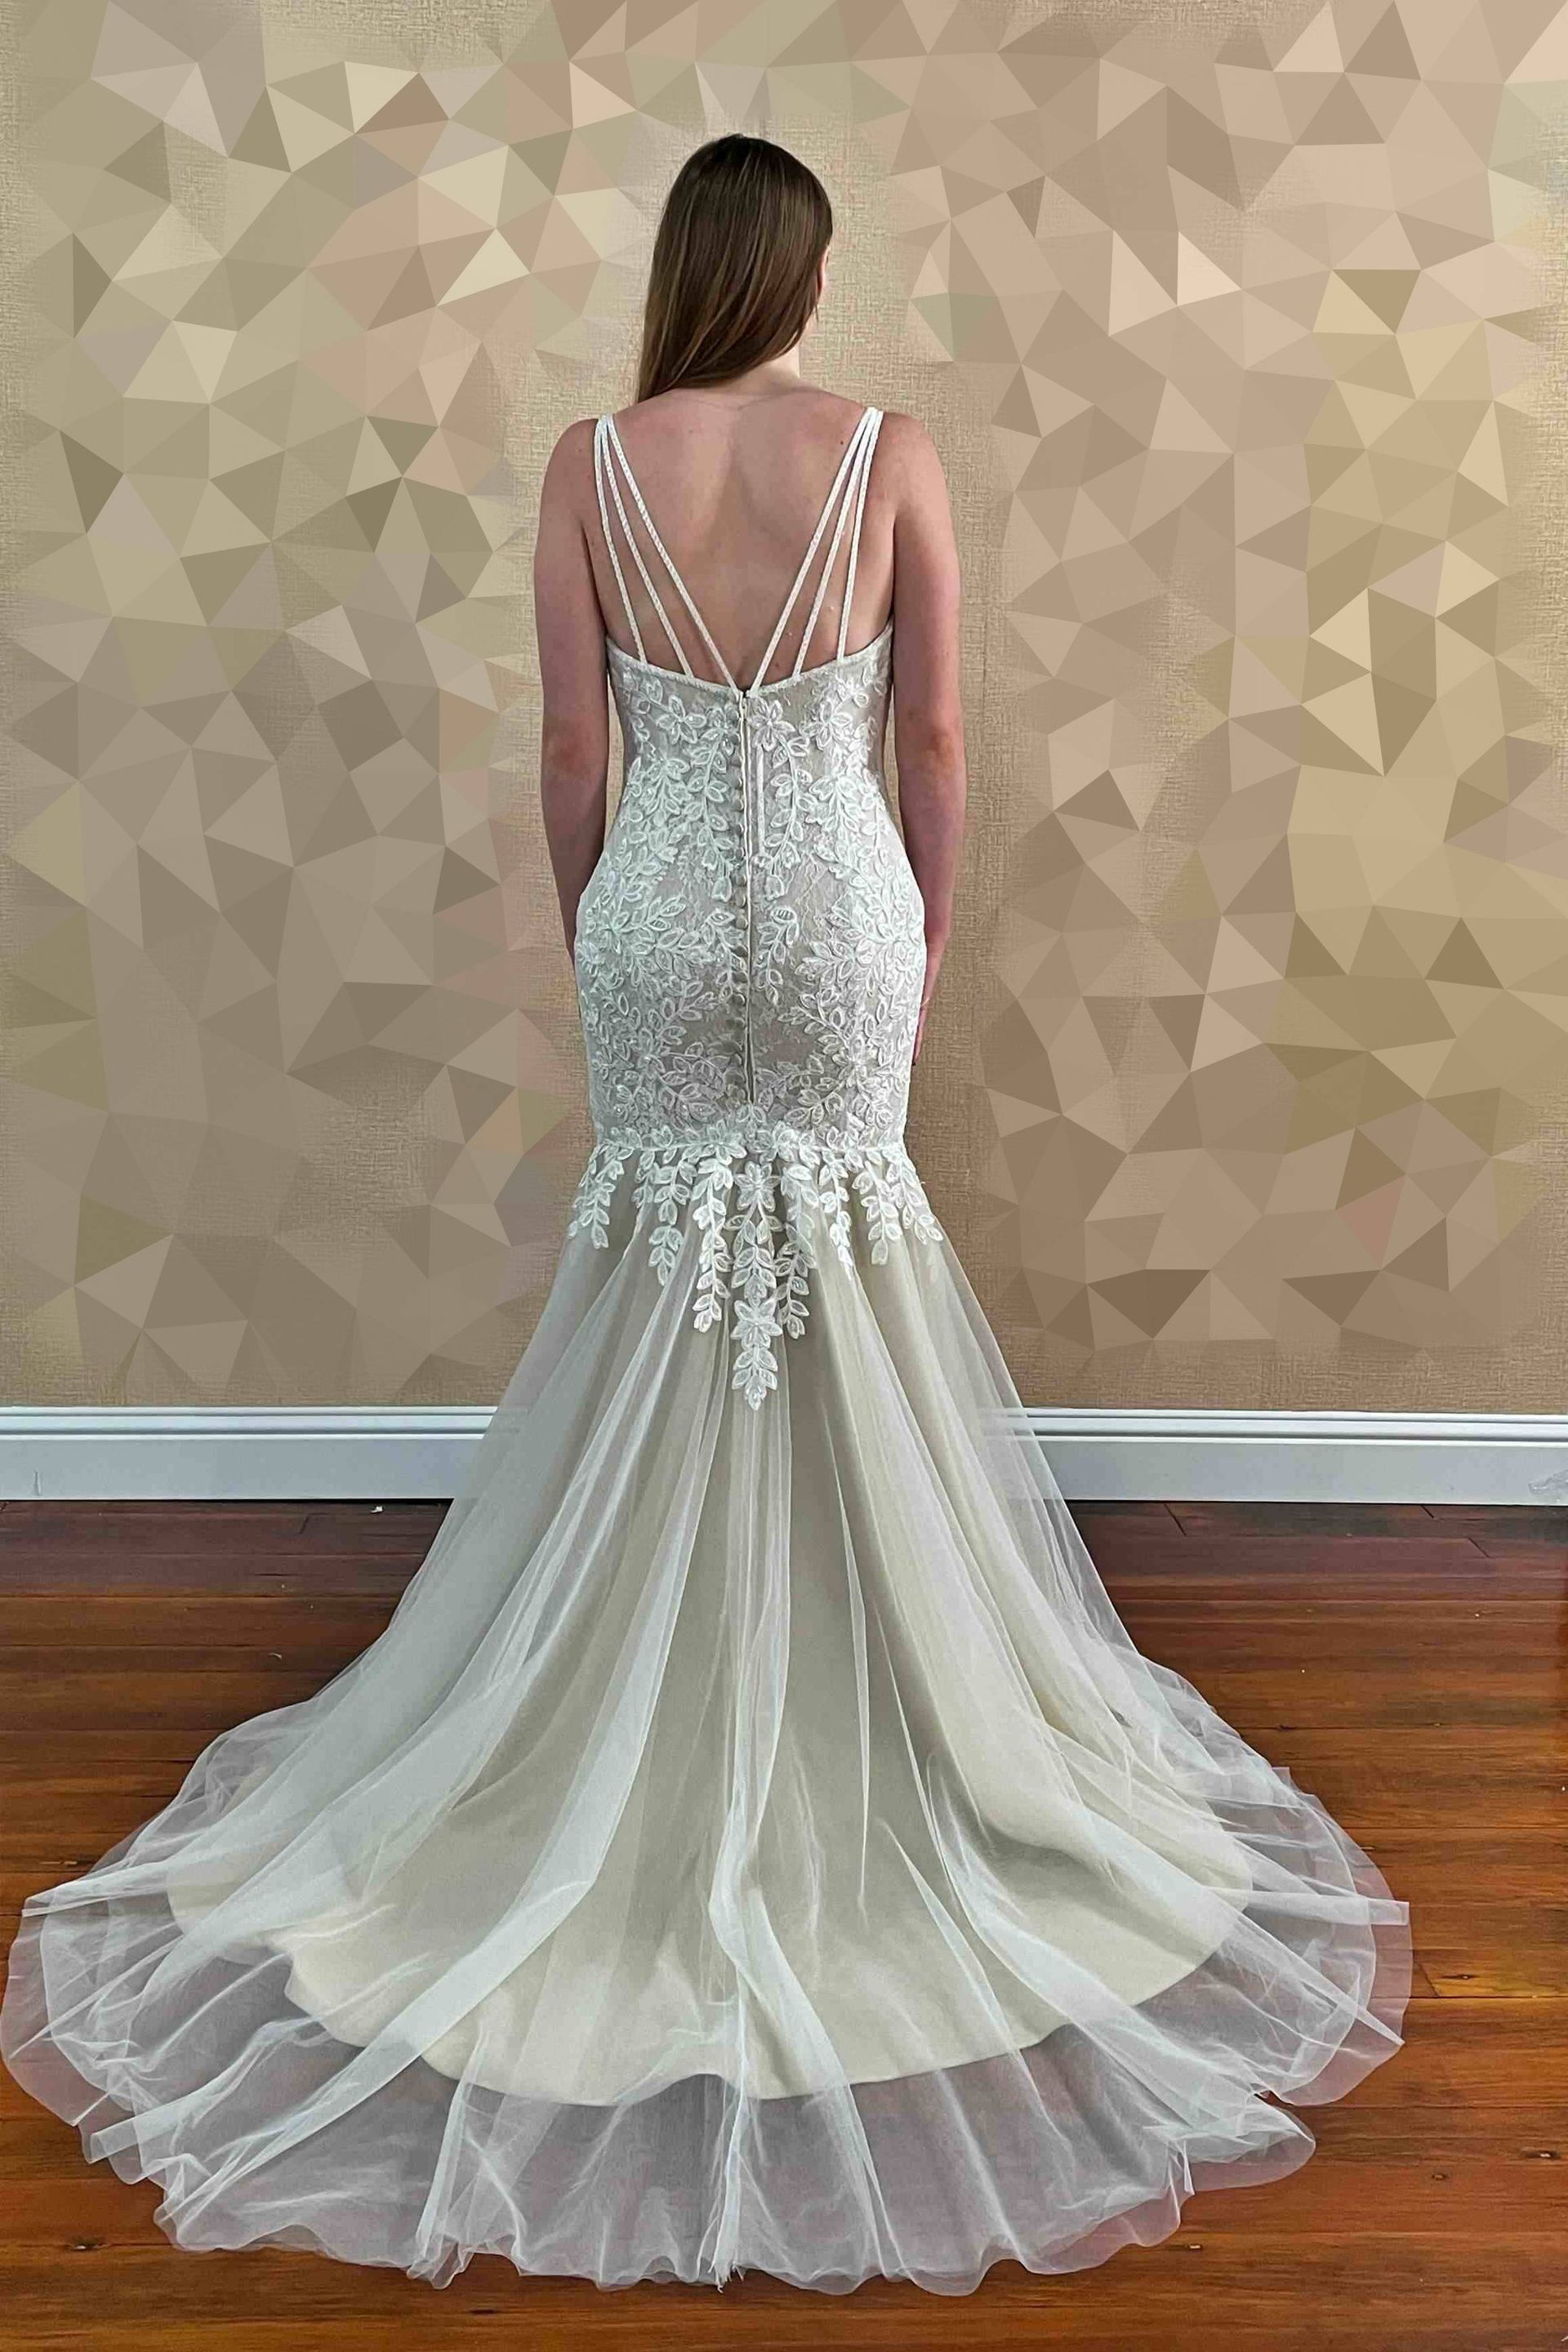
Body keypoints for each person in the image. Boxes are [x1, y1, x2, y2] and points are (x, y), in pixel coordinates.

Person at [0, 132, 1410, 2296]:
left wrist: (604, 931)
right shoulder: (891, 450)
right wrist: (919, 932)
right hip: (840, 914)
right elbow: (929, 731)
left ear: (682, 271)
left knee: (665, 1283)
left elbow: (576, 754)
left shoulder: (588, 462)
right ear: (805, 274)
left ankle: (625, 1723)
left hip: (663, 920)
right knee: (841, 1267)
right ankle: (872, 1709)